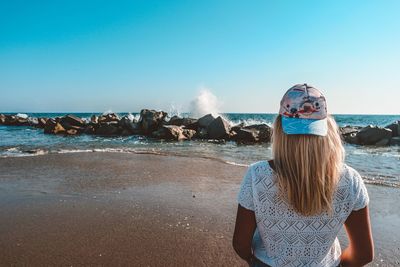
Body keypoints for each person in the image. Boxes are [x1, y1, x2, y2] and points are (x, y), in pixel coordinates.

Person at [233, 84, 374, 267]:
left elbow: (240, 244)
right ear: (327, 128)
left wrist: (253, 261)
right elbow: (363, 254)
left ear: (279, 128)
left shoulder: (257, 175)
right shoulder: (350, 180)